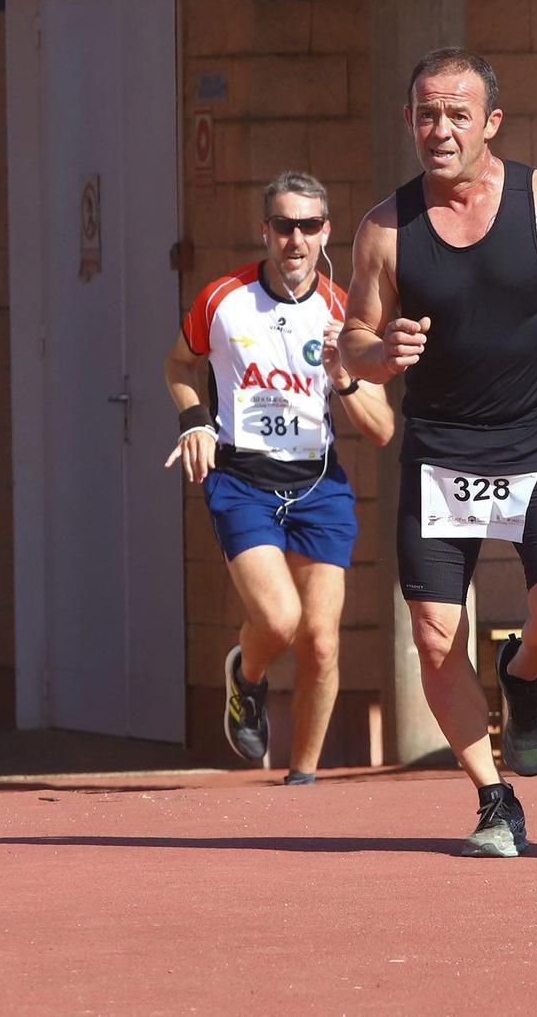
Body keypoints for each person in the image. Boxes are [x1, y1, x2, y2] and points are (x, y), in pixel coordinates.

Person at [340, 49, 537, 857]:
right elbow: (355, 338)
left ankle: (520, 674)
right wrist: (382, 354)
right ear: (409, 120)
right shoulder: (385, 227)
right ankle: (493, 797)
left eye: (456, 114)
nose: (439, 130)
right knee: (436, 636)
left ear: (490, 123)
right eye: (425, 114)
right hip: (441, 451)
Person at [164, 171, 394, 784]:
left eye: (309, 226)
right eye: (285, 226)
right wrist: (195, 420)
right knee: (280, 622)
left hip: (318, 485)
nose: (296, 240)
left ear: (327, 233)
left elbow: (381, 429)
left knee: (321, 641)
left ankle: (304, 778)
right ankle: (248, 676)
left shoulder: (346, 312)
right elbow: (180, 364)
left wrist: (343, 372)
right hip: (241, 480)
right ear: (265, 231)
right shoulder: (222, 299)